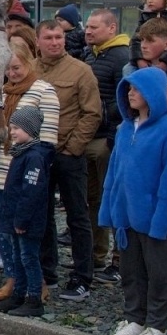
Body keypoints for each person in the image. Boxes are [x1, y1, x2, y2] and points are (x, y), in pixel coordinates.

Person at [100, 65, 167, 335]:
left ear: (153, 93)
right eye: (128, 88)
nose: (131, 93)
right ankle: (135, 319)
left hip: (156, 219)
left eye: (137, 89)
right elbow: (114, 172)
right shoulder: (125, 128)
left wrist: (162, 220)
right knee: (131, 271)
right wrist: (109, 210)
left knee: (160, 274)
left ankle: (158, 326)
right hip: (126, 218)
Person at [31, 18, 100, 304]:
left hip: (68, 155)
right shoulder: (30, 70)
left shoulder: (81, 71)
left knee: (77, 217)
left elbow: (92, 113)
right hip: (37, 154)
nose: (55, 42)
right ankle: (47, 271)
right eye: (48, 37)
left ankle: (83, 276)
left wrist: (72, 148)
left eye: (59, 37)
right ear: (38, 41)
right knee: (42, 215)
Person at [81, 8, 132, 294]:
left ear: (111, 28)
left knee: (110, 200)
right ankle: (96, 255)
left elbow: (123, 98)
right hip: (88, 136)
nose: (88, 31)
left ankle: (117, 260)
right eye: (87, 27)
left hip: (106, 140)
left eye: (94, 27)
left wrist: (107, 123)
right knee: (92, 199)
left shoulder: (120, 57)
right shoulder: (92, 54)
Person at [0, 105, 53, 319]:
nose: (12, 132)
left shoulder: (34, 157)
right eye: (11, 128)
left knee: (29, 258)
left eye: (17, 128)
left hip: (27, 221)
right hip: (15, 218)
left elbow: (30, 193)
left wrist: (21, 220)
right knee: (18, 257)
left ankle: (34, 298)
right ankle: (18, 294)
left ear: (30, 129)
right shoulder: (21, 153)